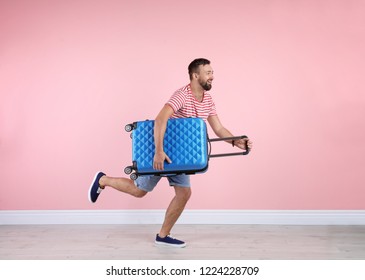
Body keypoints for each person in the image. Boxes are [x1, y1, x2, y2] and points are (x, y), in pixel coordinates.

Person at [89, 58, 253, 248]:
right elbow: (160, 120)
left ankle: (163, 236)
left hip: (181, 157)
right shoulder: (182, 95)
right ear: (195, 75)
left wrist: (237, 142)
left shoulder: (207, 100)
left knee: (183, 193)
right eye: (208, 73)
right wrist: (159, 152)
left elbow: (219, 128)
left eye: (212, 73)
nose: (212, 77)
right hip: (164, 152)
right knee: (138, 191)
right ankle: (103, 180)